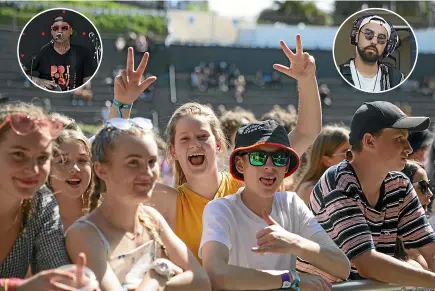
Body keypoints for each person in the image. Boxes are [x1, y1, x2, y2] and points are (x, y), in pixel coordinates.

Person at [107, 34, 322, 263]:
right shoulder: (167, 200)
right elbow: (110, 171)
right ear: (173, 152)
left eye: (202, 136)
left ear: (218, 144)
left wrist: (306, 80)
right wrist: (122, 104)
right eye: (185, 139)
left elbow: (307, 133)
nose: (194, 144)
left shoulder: (246, 182)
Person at [199, 120, 350, 291]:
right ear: (241, 165)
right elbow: (215, 273)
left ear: (286, 166)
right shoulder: (220, 209)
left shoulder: (292, 203)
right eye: (258, 158)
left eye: (279, 158)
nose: (269, 166)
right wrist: (289, 279)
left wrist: (294, 243)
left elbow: (342, 267)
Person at [66, 118, 211, 291]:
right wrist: (157, 275)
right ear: (101, 170)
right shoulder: (84, 233)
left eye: (151, 162)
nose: (147, 173)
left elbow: (201, 281)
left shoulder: (152, 219)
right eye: (133, 163)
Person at [309, 101, 435, 288]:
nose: (408, 148)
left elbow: (431, 252)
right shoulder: (338, 181)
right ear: (369, 141)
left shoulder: (399, 184)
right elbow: (367, 264)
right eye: (399, 138)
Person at [0, 102, 98, 289]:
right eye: (19, 154)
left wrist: (73, 282)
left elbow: (55, 267)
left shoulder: (41, 203)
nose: (33, 169)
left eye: (43, 158)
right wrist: (16, 287)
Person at [23, 15, 94, 91]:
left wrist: (84, 90)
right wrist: (39, 81)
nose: (59, 31)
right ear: (51, 32)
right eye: (55, 28)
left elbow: (87, 81)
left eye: (64, 28)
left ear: (71, 31)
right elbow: (25, 71)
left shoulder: (82, 53)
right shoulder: (43, 52)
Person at [338, 15, 404, 92]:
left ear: (387, 46)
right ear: (356, 37)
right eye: (368, 34)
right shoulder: (338, 73)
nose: (374, 42)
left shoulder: (396, 78)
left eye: (381, 38)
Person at [47, 128, 94, 230]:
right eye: (63, 161)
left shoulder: (106, 215)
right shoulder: (31, 219)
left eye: (82, 160)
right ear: (48, 168)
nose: (75, 169)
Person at [295, 125, 350, 205]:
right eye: (347, 153)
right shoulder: (310, 189)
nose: (354, 158)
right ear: (327, 161)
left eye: (356, 151)